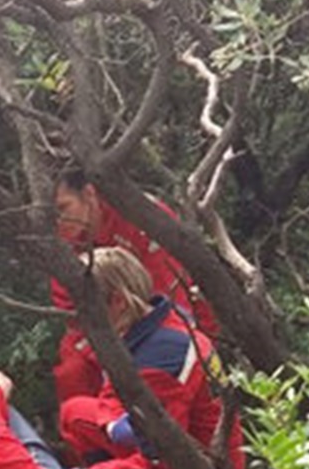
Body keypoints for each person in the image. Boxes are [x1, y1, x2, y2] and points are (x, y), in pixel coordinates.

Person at [58, 247, 244, 469]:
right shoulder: (157, 326)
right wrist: (111, 422)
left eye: (85, 307)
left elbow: (164, 462)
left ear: (118, 302)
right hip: (192, 447)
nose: (77, 318)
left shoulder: (161, 358)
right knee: (74, 413)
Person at [50, 170, 217, 416]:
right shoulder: (64, 240)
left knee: (161, 371)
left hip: (165, 319)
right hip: (107, 326)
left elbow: (172, 300)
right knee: (73, 375)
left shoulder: (138, 215)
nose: (58, 222)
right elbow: (71, 310)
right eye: (51, 215)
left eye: (63, 208)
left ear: (88, 194)